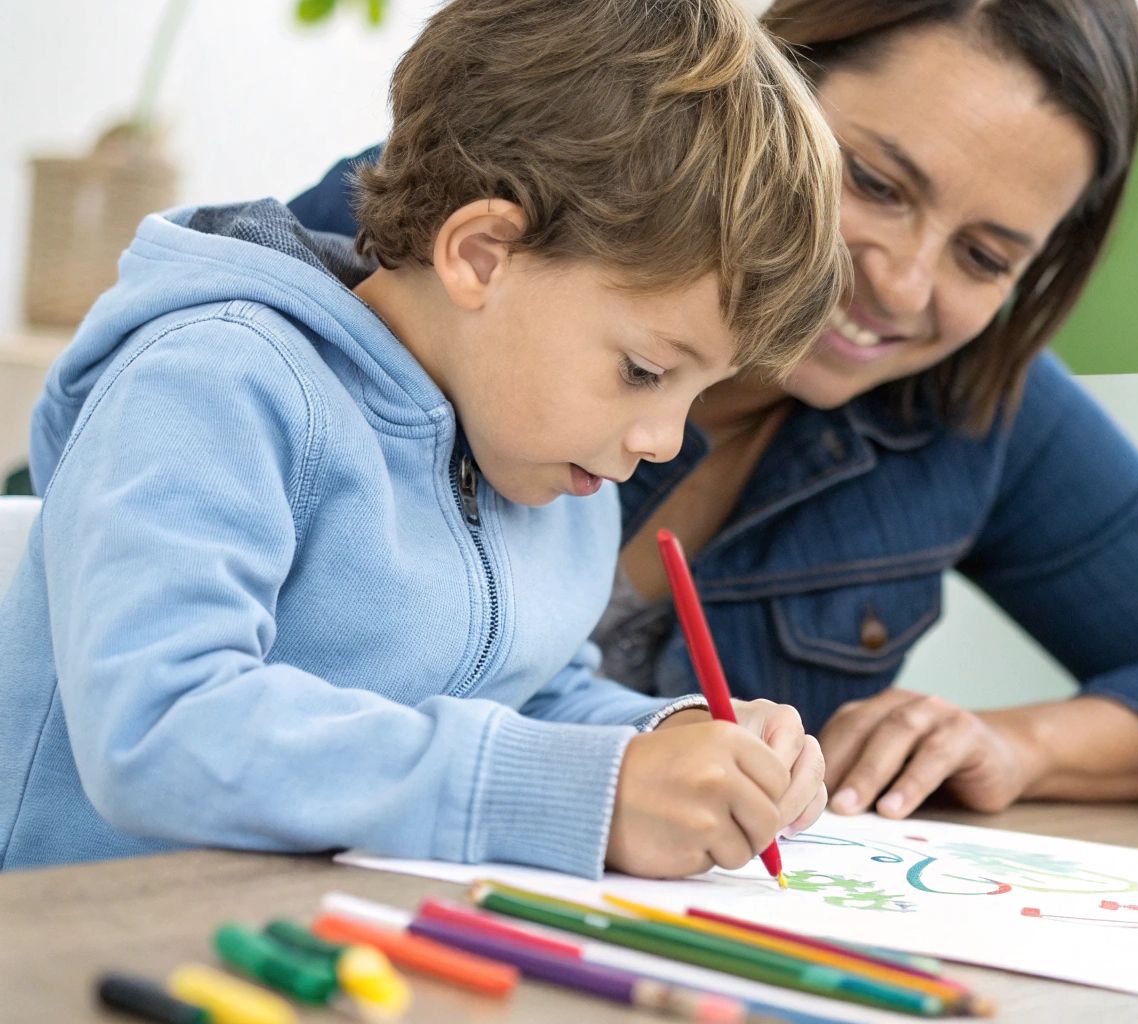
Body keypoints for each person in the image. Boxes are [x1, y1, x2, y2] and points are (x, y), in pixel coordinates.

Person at [291, 0, 1138, 828]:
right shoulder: (433, 249)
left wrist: (1018, 746)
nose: (900, 283)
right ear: (761, 94)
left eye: (986, 257)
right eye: (875, 184)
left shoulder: (972, 401)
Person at [0, 0, 848, 878]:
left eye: (701, 391)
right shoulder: (216, 385)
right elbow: (161, 725)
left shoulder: (549, 463)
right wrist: (578, 792)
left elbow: (532, 696)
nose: (666, 441)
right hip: (80, 952)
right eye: (643, 370)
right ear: (481, 256)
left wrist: (668, 741)